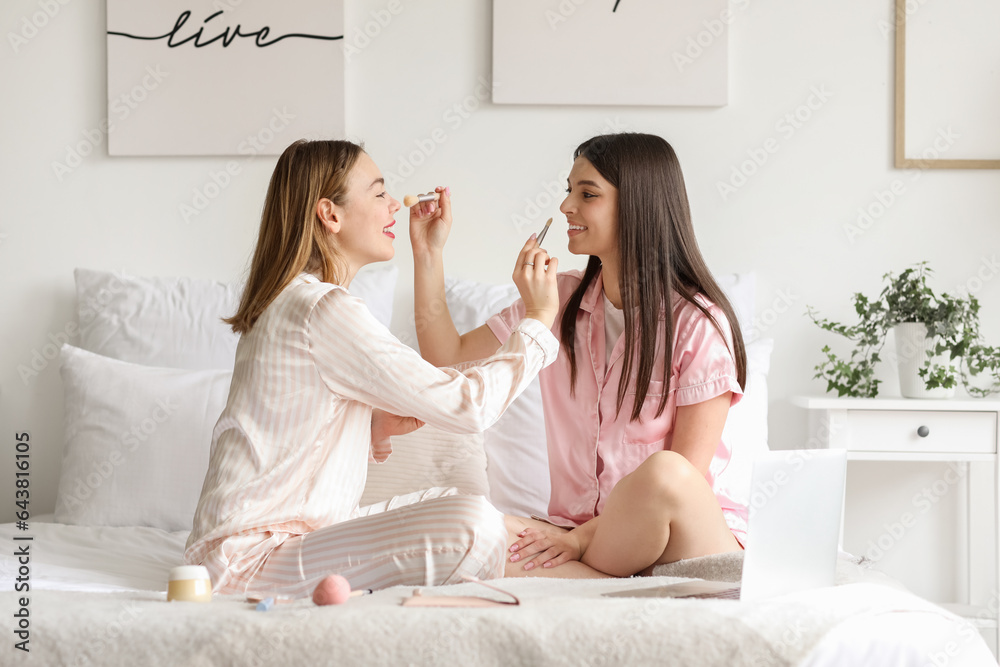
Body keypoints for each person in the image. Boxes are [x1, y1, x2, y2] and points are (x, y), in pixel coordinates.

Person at [183, 139, 601, 599]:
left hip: (251, 551)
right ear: (330, 214)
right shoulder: (322, 309)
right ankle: (616, 586)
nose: (393, 206)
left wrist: (373, 425)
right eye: (378, 192)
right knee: (473, 523)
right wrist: (540, 319)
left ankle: (615, 582)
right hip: (247, 562)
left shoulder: (293, 302)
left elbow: (290, 436)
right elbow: (469, 407)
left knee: (477, 511)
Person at [411, 132, 748, 578]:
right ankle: (604, 583)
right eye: (569, 191)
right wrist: (428, 251)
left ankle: (585, 572)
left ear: (638, 207)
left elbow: (684, 479)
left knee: (666, 472)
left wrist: (575, 541)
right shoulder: (556, 299)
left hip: (681, 540)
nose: (567, 206)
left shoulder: (697, 322)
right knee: (462, 528)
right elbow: (447, 357)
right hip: (587, 538)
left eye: (587, 194)